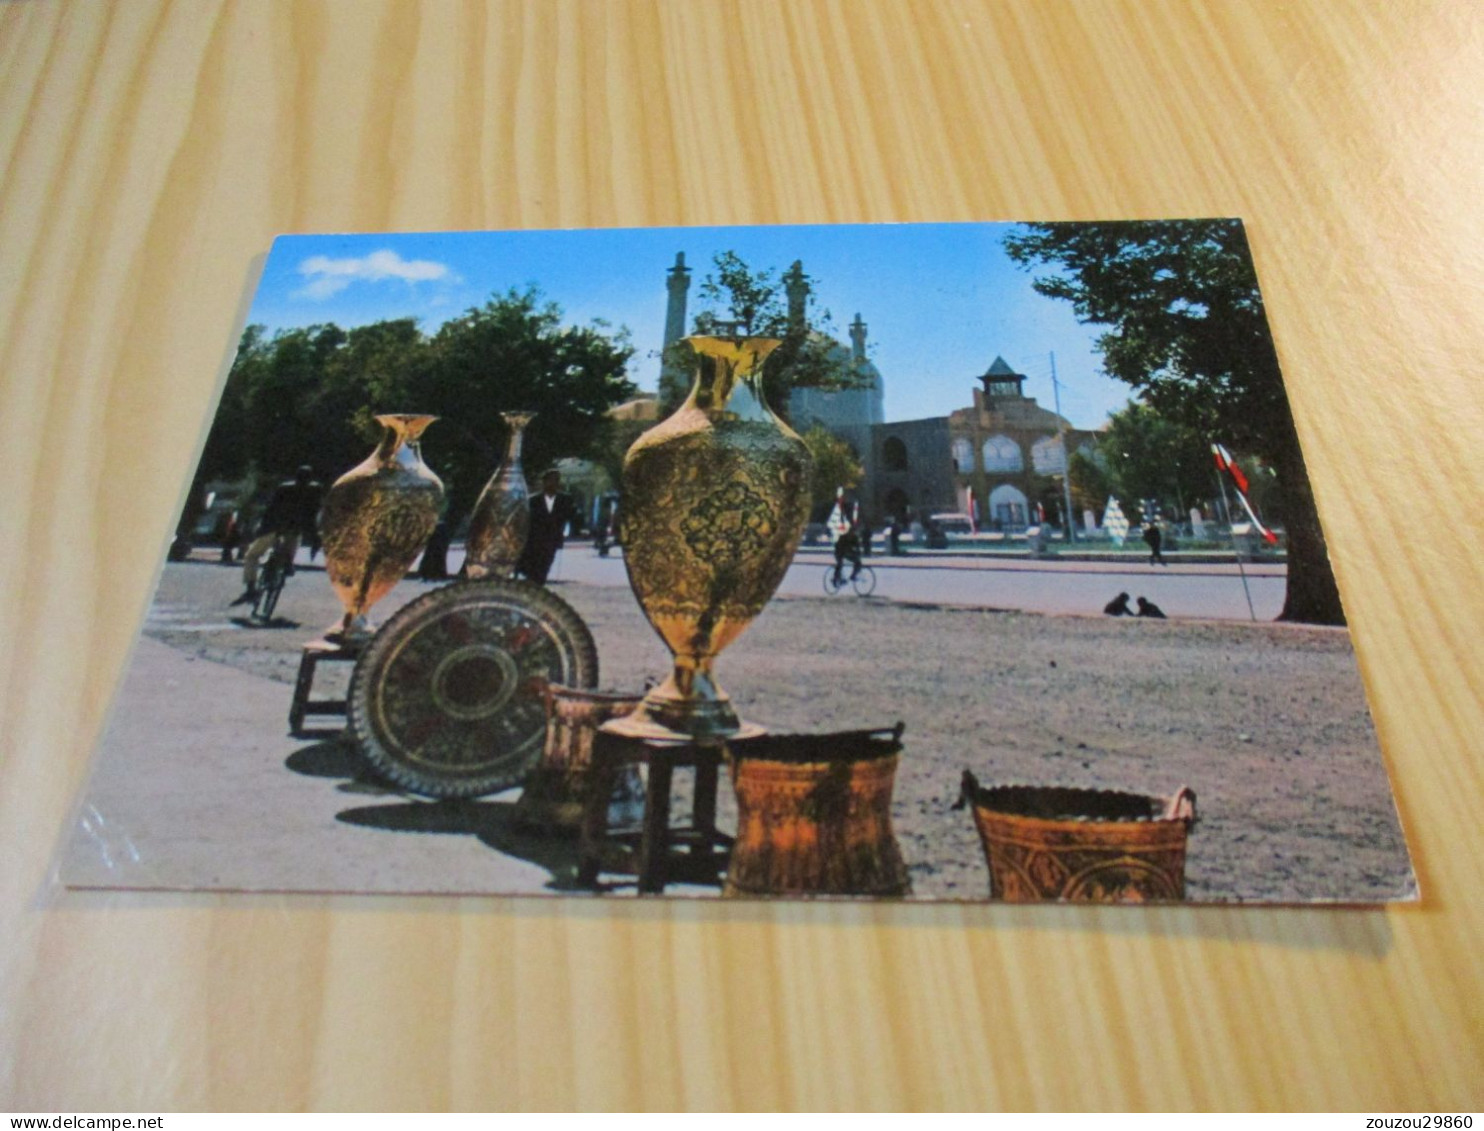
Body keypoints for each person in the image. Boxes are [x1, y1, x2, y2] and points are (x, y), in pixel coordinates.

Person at [230, 466, 321, 605]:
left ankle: (250, 589)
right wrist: (314, 536)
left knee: (252, 556)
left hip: (274, 527)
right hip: (295, 529)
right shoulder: (314, 491)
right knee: (294, 541)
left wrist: (261, 528)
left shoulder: (284, 488)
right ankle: (288, 562)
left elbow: (271, 509)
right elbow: (312, 515)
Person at [516, 469, 578, 586]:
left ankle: (538, 586)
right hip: (533, 542)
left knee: (544, 567)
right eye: (550, 480)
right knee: (531, 568)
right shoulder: (532, 501)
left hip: (551, 541)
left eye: (556, 481)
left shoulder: (565, 500)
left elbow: (572, 517)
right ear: (544, 482)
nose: (553, 484)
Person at [833, 520, 863, 586]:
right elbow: (839, 546)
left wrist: (858, 554)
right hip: (840, 552)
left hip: (845, 552)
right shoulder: (844, 536)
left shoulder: (854, 537)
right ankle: (836, 578)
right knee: (840, 564)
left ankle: (852, 576)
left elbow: (857, 547)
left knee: (858, 562)